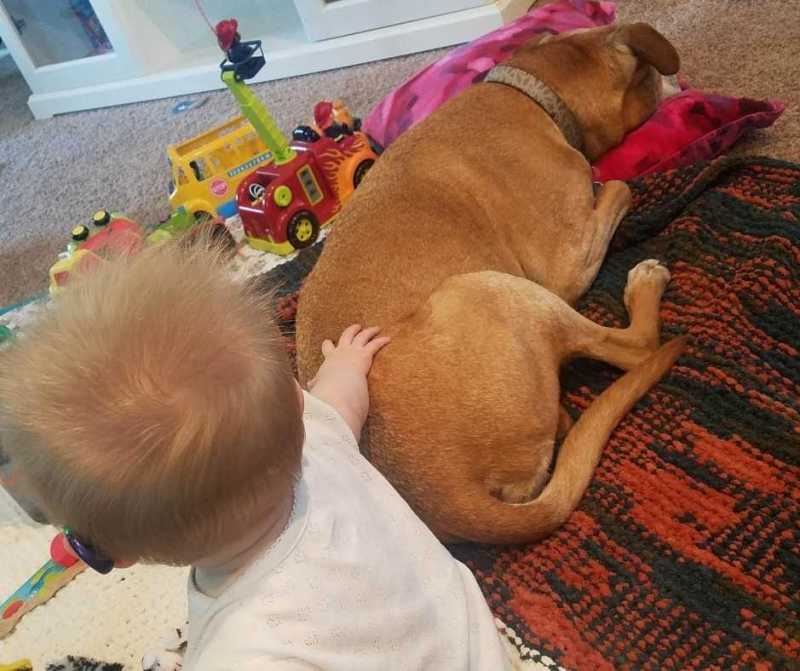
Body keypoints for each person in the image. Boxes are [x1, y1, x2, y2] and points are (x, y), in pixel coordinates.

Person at [0, 242, 512, 670]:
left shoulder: (243, 653)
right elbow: (339, 402)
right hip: (479, 648)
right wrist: (347, 366)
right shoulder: (318, 440)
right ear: (296, 400)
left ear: (114, 553)